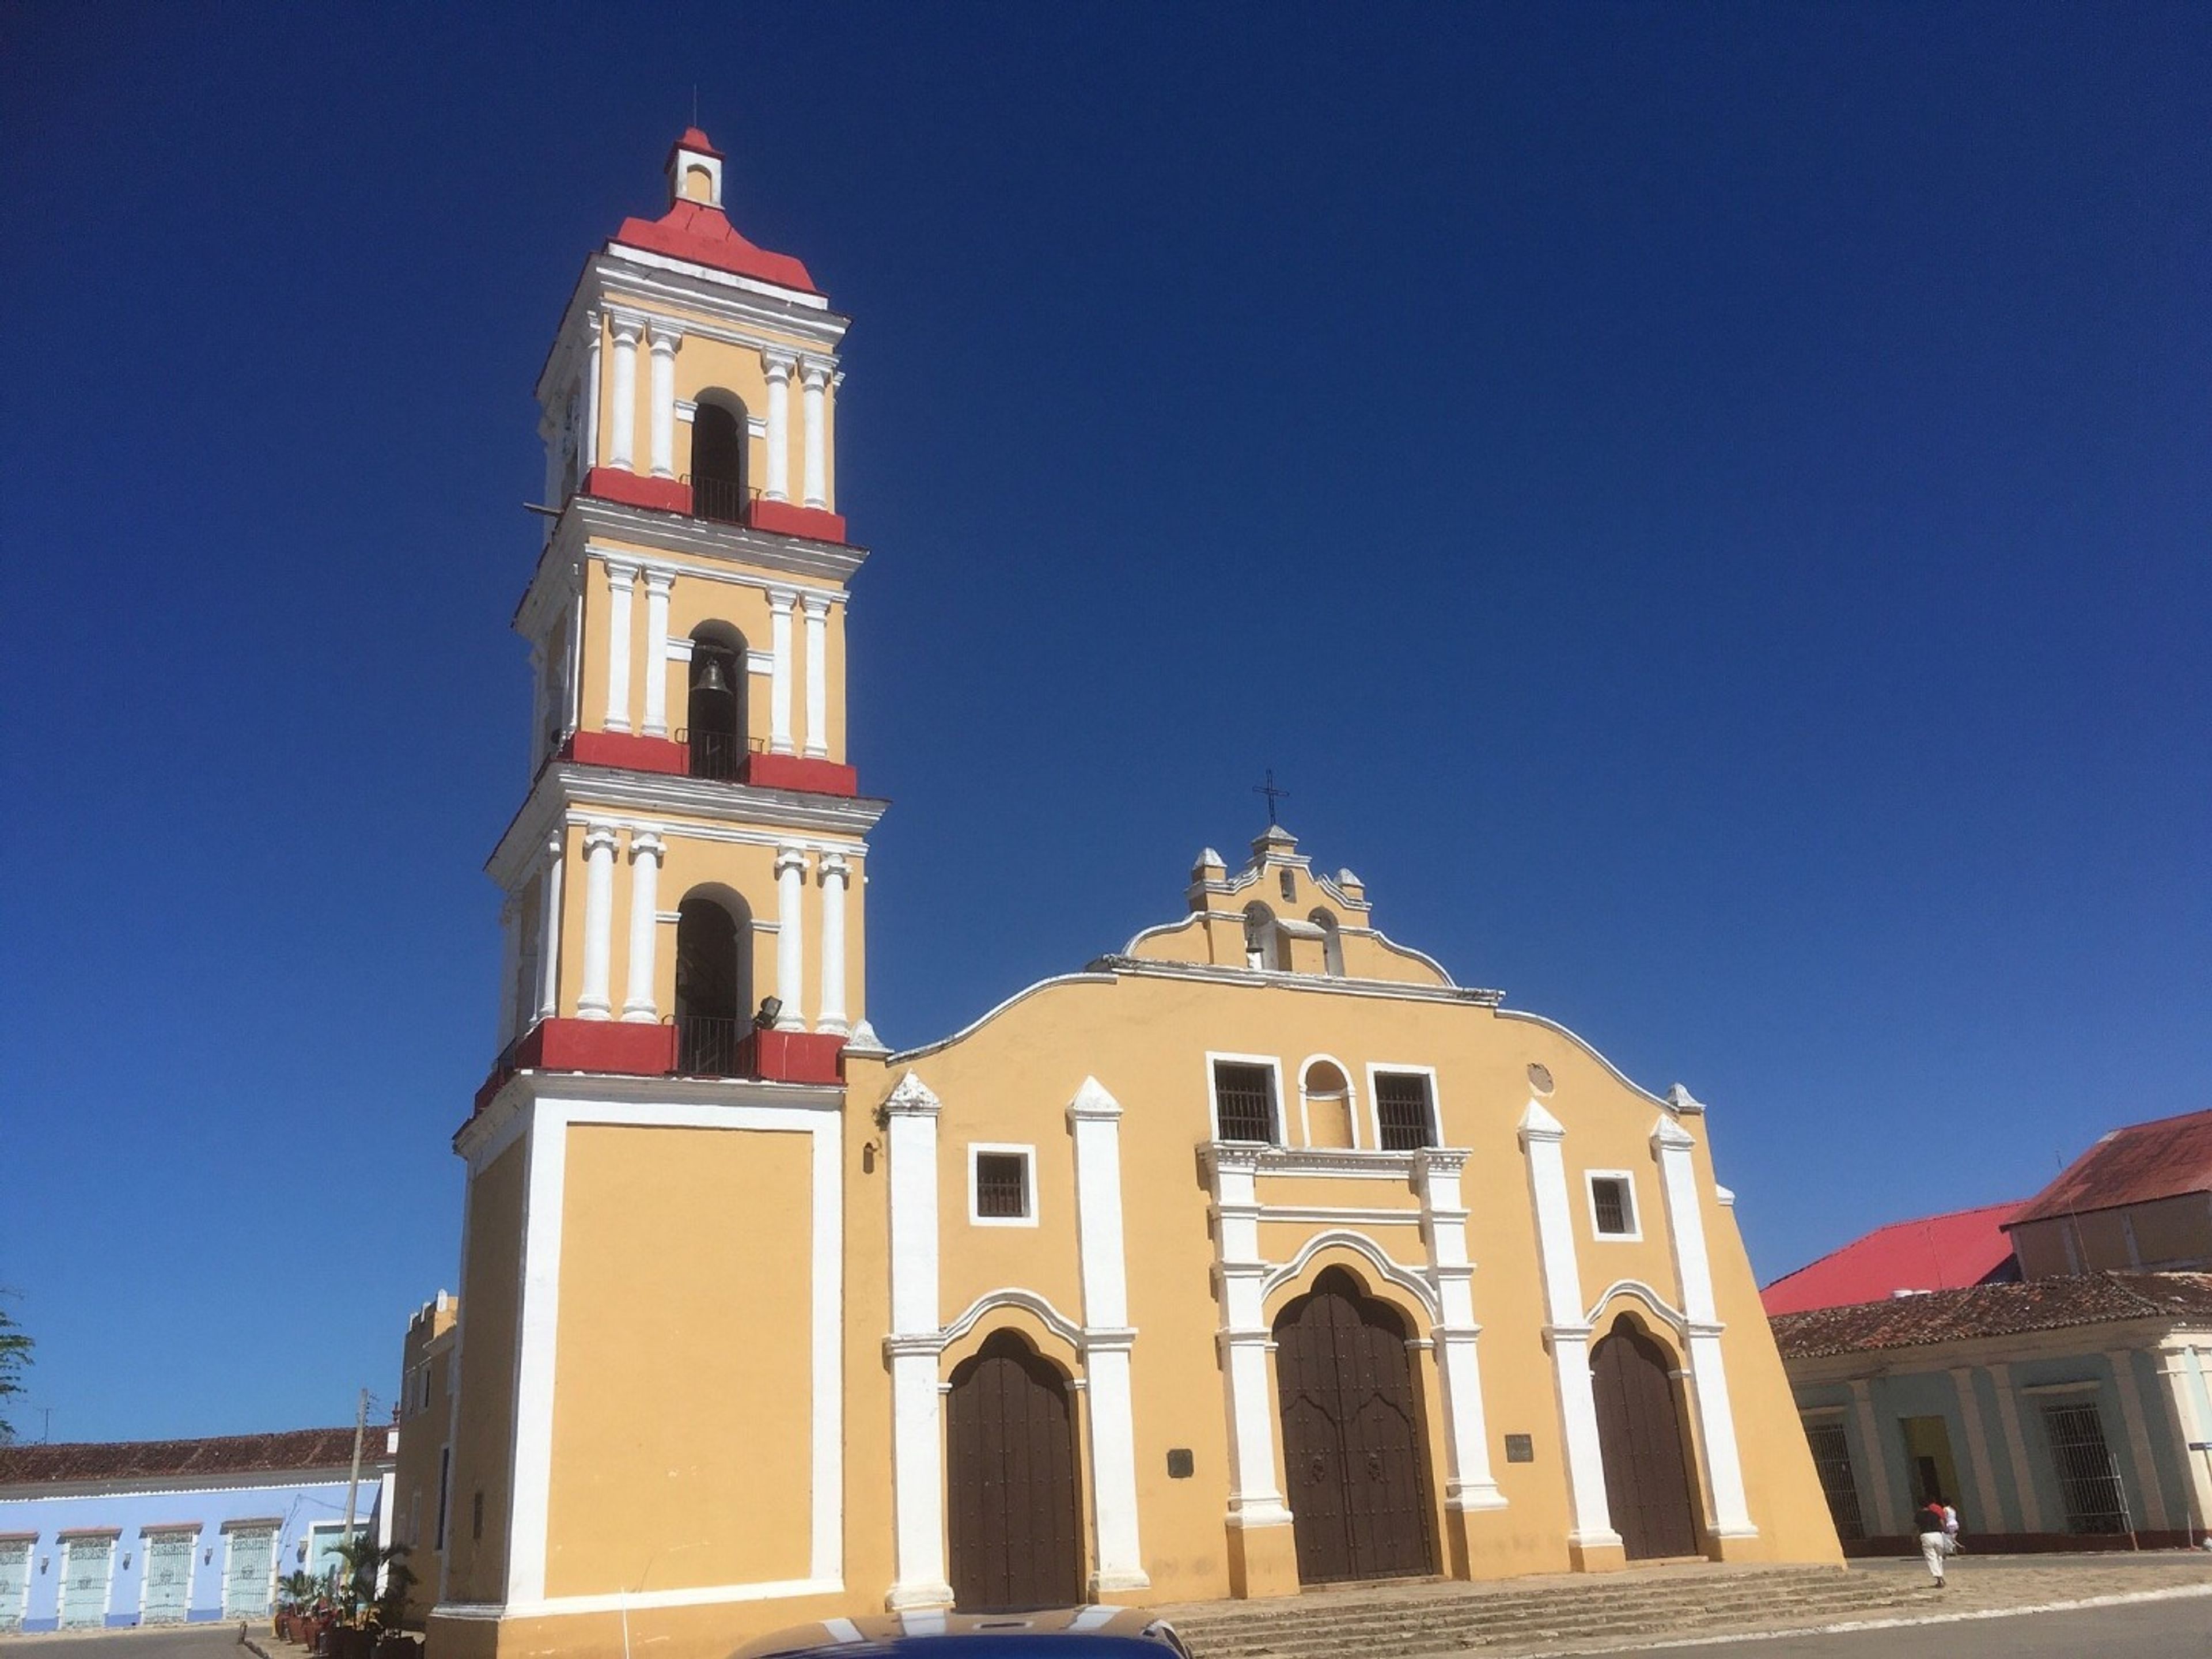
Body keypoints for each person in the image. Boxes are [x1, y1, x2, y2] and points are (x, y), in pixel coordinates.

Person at [1916, 1497, 1952, 1586]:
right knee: (1939, 1556)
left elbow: (1916, 1527)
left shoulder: (1919, 1515)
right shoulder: (1934, 1514)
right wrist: (1945, 1530)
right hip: (1937, 1535)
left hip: (1926, 1536)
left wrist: (1914, 1536)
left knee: (1931, 1557)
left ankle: (1939, 1577)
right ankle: (1940, 1576)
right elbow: (1941, 1522)